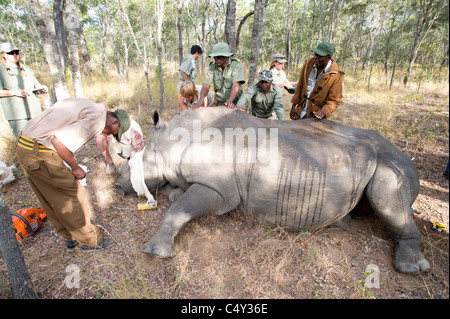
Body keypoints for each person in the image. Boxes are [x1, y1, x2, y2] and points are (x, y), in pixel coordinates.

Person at [15, 98, 117, 251]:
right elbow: (59, 142)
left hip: (24, 145)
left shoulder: (90, 106)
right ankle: (90, 241)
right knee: (74, 194)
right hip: (40, 153)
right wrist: (75, 167)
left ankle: (71, 236)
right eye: (113, 133)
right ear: (114, 123)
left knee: (50, 195)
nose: (109, 136)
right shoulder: (97, 121)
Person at [0, 42, 48, 137]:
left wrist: (42, 87)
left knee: (40, 139)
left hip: (35, 111)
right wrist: (15, 93)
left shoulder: (26, 68)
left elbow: (36, 85)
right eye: (11, 52)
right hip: (17, 114)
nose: (14, 55)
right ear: (3, 54)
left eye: (16, 52)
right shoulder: (1, 70)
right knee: (25, 142)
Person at [290, 42, 343, 120]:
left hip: (315, 117)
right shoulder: (308, 64)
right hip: (300, 112)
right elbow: (300, 86)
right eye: (315, 54)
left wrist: (324, 111)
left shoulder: (335, 75)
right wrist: (294, 106)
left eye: (320, 56)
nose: (315, 58)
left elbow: (334, 100)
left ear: (328, 57)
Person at [193, 42, 245, 110]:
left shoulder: (236, 65)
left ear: (226, 57)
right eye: (215, 57)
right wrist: (201, 99)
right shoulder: (212, 67)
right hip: (219, 101)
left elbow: (236, 85)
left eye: (219, 57)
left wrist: (230, 101)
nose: (216, 59)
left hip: (235, 101)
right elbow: (206, 85)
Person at [96, 109, 144, 174]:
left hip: (129, 149)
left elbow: (139, 150)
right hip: (116, 144)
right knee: (100, 139)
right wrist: (108, 134)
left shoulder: (134, 129)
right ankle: (111, 163)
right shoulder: (112, 123)